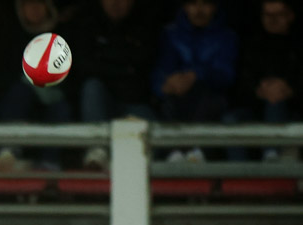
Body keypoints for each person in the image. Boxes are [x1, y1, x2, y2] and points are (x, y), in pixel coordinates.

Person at [0, 0, 74, 171]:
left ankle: (49, 162)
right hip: (15, 105)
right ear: (21, 9)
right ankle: (8, 150)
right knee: (20, 92)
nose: (34, 9)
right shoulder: (9, 35)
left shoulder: (62, 36)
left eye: (39, 3)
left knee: (61, 107)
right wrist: (28, 82)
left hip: (51, 104)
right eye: (29, 4)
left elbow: (74, 75)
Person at [70, 0, 157, 170]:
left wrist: (107, 65)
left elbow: (144, 66)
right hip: (101, 104)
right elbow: (84, 67)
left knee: (152, 137)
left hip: (135, 102)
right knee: (92, 87)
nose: (115, 3)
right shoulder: (88, 25)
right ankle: (97, 150)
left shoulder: (145, 26)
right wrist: (124, 68)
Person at [152, 0, 238, 156]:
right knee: (169, 102)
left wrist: (196, 76)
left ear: (214, 6)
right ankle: (177, 153)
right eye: (193, 4)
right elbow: (161, 72)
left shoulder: (227, 36)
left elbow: (226, 76)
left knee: (207, 96)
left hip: (211, 100)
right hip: (178, 98)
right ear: (185, 6)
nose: (199, 10)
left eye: (205, 4)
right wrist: (166, 85)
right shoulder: (170, 34)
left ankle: (192, 153)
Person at [224, 1, 303, 162]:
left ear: (290, 16)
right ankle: (239, 172)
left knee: (275, 103)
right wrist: (258, 90)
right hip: (256, 110)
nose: (272, 20)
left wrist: (290, 90)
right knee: (231, 119)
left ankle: (271, 157)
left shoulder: (299, 46)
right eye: (267, 15)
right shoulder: (251, 45)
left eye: (278, 15)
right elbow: (240, 84)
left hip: (293, 111)